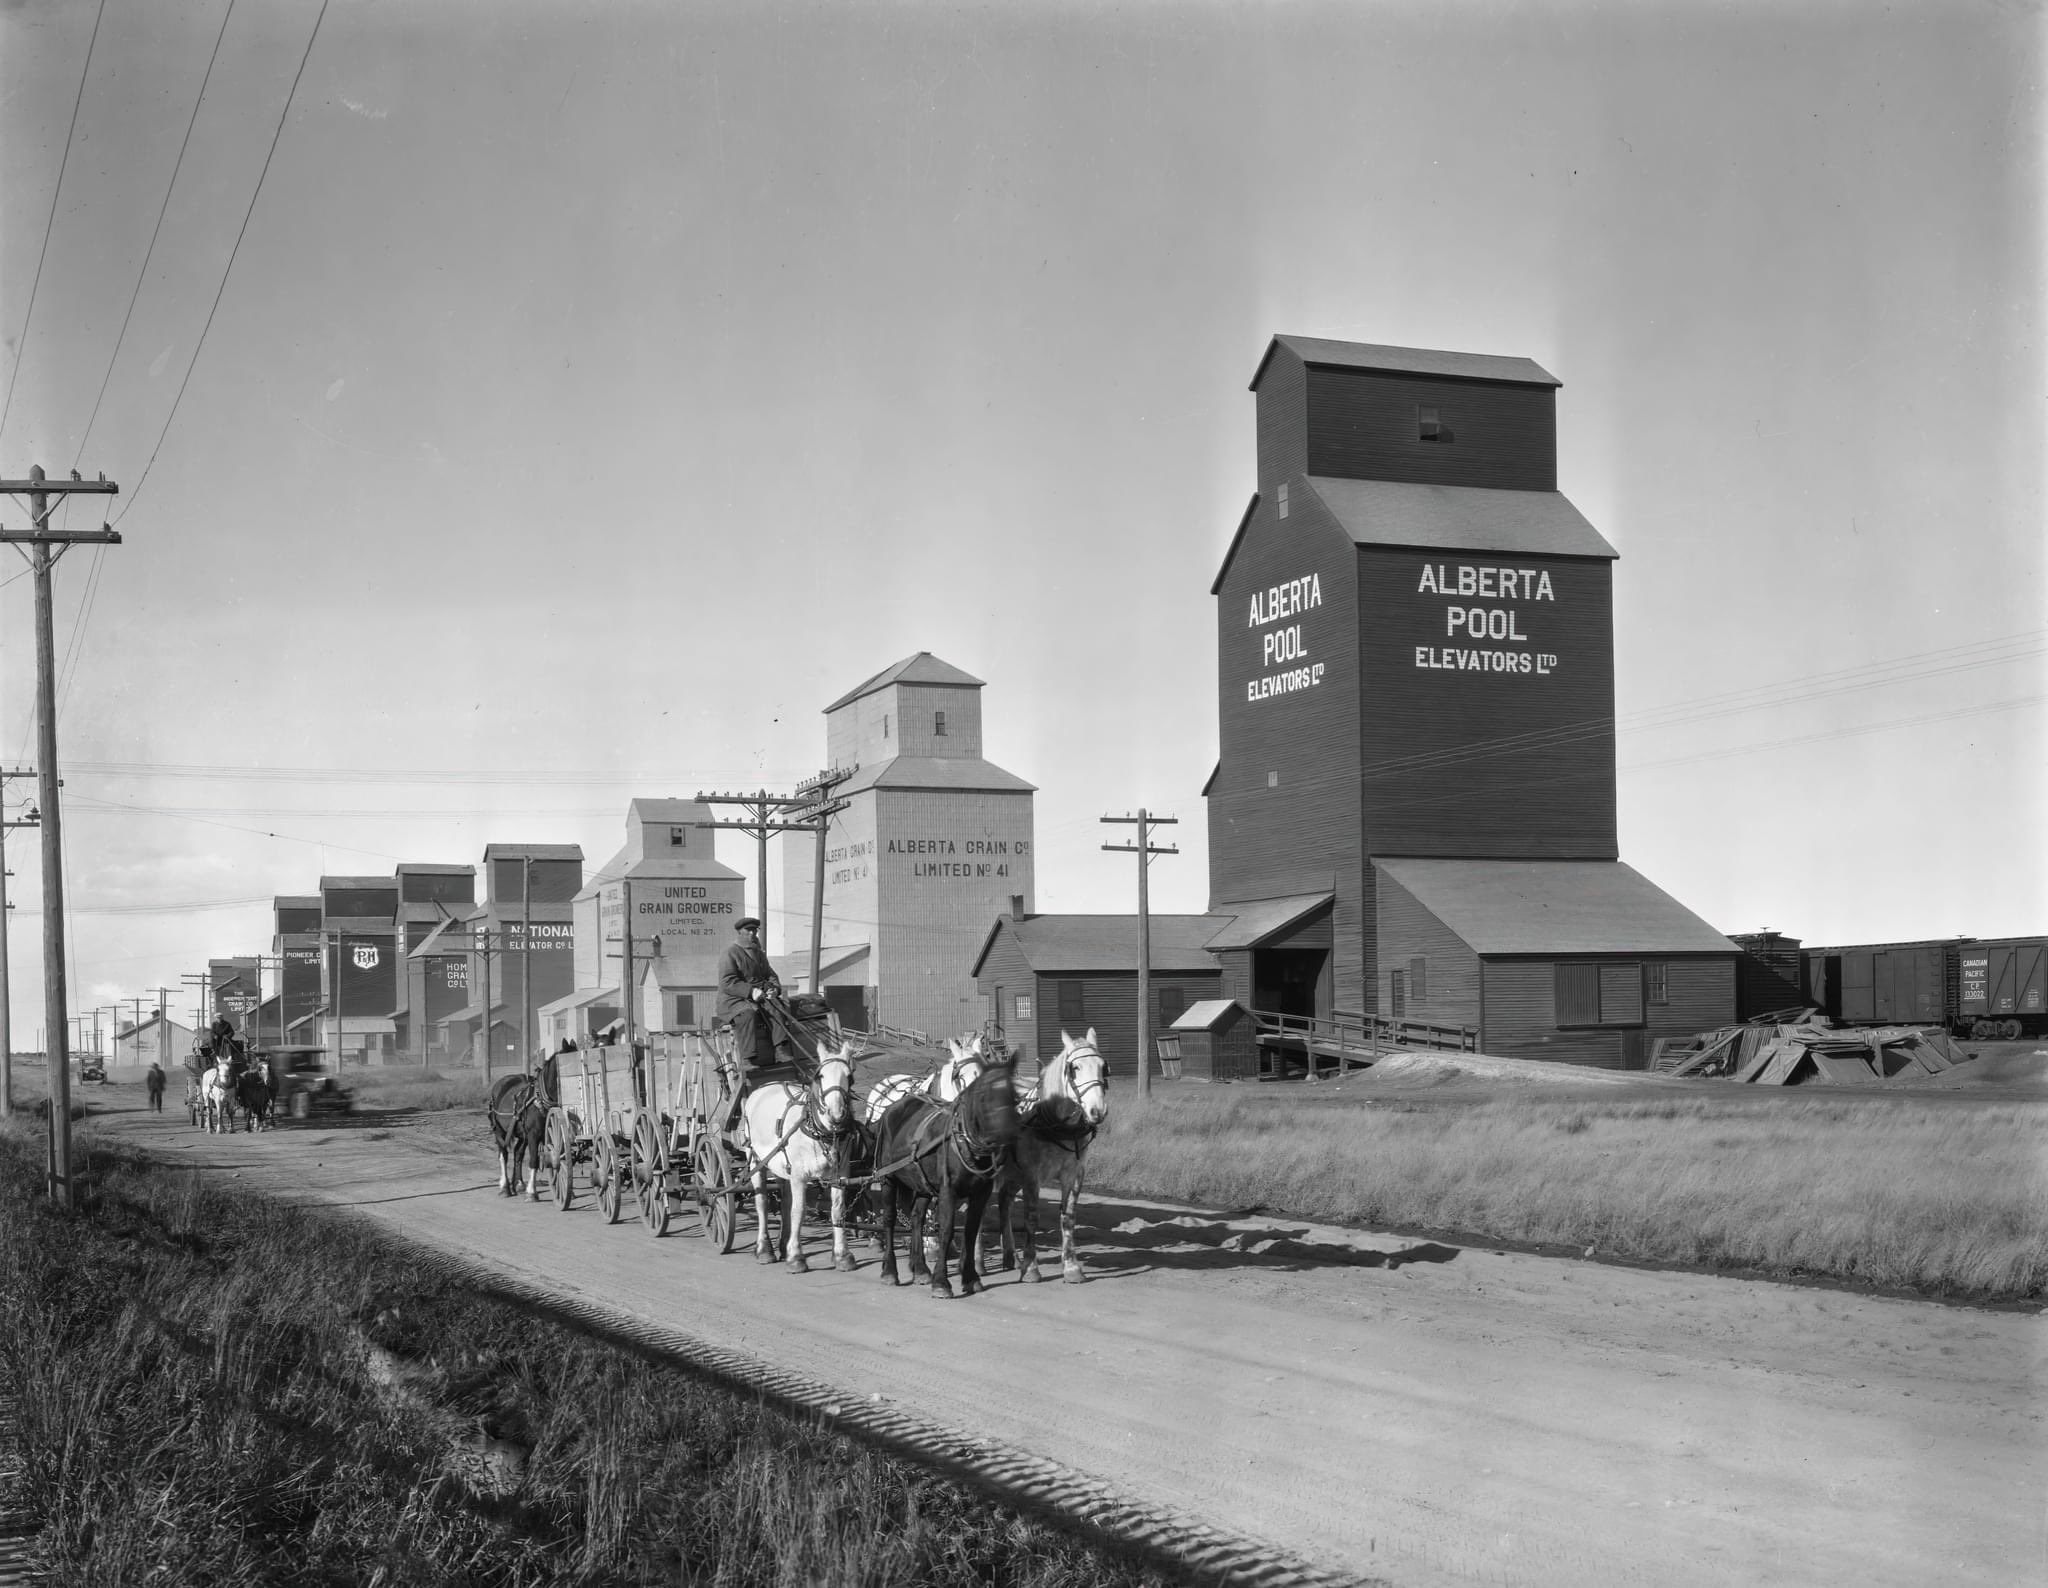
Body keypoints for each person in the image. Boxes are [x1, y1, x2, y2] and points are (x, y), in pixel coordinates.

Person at [716, 917, 786, 1075]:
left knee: (777, 1006)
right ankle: (747, 1059)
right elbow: (727, 982)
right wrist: (751, 991)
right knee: (747, 1014)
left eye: (754, 931)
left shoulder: (759, 954)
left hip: (759, 996)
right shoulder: (729, 953)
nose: (752, 934)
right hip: (732, 999)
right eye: (748, 930)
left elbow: (770, 975)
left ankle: (780, 1050)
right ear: (740, 932)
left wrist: (774, 989)